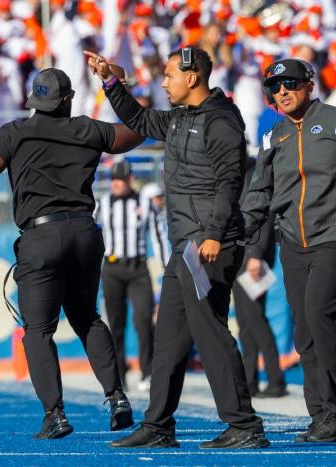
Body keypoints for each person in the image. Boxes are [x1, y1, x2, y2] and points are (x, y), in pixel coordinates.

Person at [86, 47, 269, 449]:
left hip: (207, 244)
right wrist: (111, 82)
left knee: (211, 332)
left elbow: (229, 184)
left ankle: (245, 425)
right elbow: (137, 117)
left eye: (169, 75)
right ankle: (158, 425)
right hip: (185, 244)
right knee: (168, 337)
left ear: (192, 78)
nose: (163, 82)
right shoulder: (180, 118)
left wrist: (214, 234)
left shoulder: (221, 121)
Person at [243, 58, 336, 443]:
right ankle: (327, 413)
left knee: (317, 314)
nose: (282, 92)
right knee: (304, 329)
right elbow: (258, 195)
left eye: (290, 84)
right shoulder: (271, 138)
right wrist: (231, 231)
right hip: (292, 242)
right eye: (274, 88)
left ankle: (328, 410)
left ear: (310, 84)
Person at [0, 68, 140, 438]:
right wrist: (122, 89)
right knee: (87, 318)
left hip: (41, 235)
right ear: (68, 99)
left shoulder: (15, 133)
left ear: (33, 102)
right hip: (84, 233)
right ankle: (117, 396)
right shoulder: (87, 128)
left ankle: (54, 414)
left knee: (38, 330)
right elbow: (138, 129)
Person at [95, 160, 170, 392]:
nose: (118, 184)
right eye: (114, 180)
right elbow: (91, 235)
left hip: (138, 268)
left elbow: (158, 237)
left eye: (122, 180)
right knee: (115, 323)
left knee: (143, 319)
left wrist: (166, 267)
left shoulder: (146, 203)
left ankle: (147, 372)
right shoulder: (102, 204)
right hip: (112, 268)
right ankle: (119, 373)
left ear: (130, 180)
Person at [233, 156, 287, 398]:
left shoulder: (255, 174)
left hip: (251, 258)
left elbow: (262, 217)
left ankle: (276, 380)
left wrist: (255, 255)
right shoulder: (241, 173)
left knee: (256, 320)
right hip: (242, 256)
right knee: (246, 323)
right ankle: (251, 380)